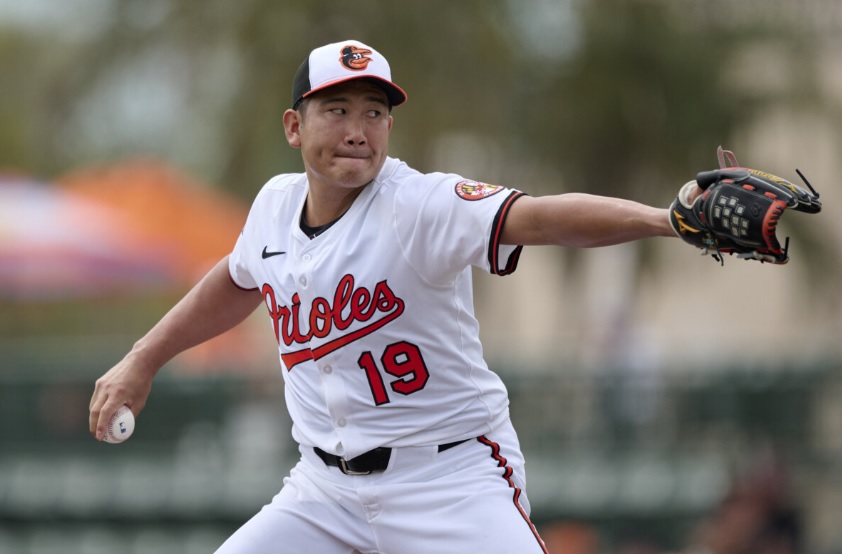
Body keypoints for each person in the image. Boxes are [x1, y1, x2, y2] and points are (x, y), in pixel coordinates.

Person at [89, 39, 685, 553]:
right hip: (322, 491)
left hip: (448, 479)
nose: (357, 131)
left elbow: (541, 218)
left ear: (390, 128)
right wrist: (142, 358)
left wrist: (667, 220)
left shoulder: (419, 205)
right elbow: (239, 276)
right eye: (337, 109)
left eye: (374, 112)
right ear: (295, 126)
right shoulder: (273, 205)